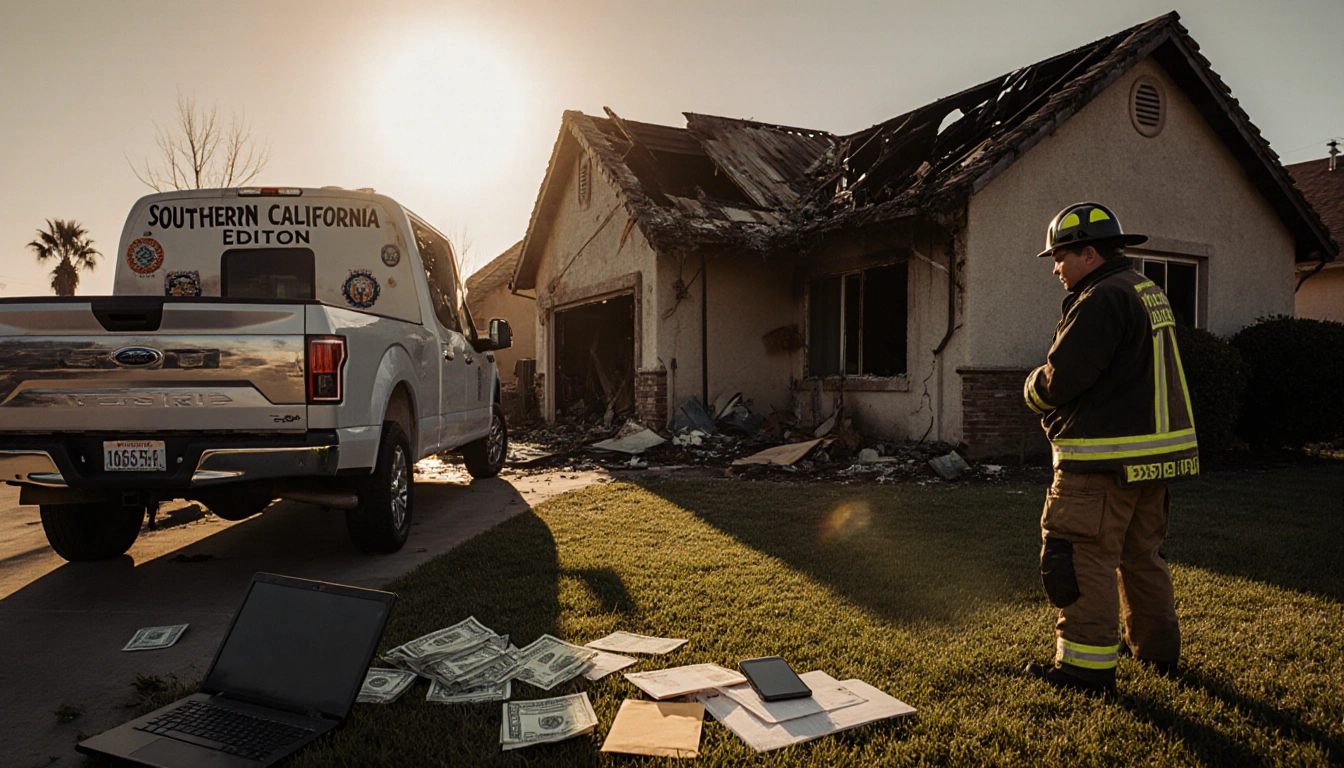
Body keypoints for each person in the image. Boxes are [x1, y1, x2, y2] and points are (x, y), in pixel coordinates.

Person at [1021, 202, 1199, 695]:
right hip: (1149, 464)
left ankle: (1084, 669)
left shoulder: (1100, 298)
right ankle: (1156, 650)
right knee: (1142, 557)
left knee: (1079, 557)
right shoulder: (1145, 289)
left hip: (1100, 463)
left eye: (1060, 256)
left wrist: (1031, 390)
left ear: (1090, 253)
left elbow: (1064, 378)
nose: (1056, 268)